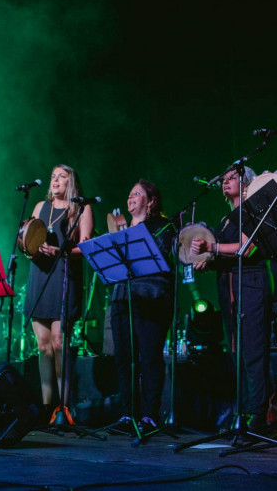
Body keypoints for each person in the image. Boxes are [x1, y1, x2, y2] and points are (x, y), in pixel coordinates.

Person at [190, 166, 274, 432]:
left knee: (252, 352)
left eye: (232, 178)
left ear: (246, 182)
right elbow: (226, 255)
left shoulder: (251, 211)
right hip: (230, 289)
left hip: (250, 285)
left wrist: (212, 248)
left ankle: (257, 415)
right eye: (223, 178)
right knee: (238, 354)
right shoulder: (227, 218)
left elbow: (247, 248)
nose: (225, 182)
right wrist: (209, 262)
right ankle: (243, 412)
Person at [24, 164, 93, 420]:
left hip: (63, 275)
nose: (55, 180)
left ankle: (63, 406)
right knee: (42, 346)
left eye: (61, 177)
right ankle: (45, 405)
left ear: (71, 182)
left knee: (59, 342)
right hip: (39, 275)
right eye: (53, 176)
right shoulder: (40, 208)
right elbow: (27, 238)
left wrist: (60, 251)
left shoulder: (81, 208)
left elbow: (87, 248)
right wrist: (29, 246)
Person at [110, 180, 176, 434]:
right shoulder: (122, 229)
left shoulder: (163, 226)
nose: (131, 196)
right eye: (130, 192)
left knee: (149, 358)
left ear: (151, 201)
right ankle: (127, 413)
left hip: (152, 297)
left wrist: (128, 233)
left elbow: (161, 257)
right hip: (121, 298)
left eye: (137, 193)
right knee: (123, 359)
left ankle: (149, 415)